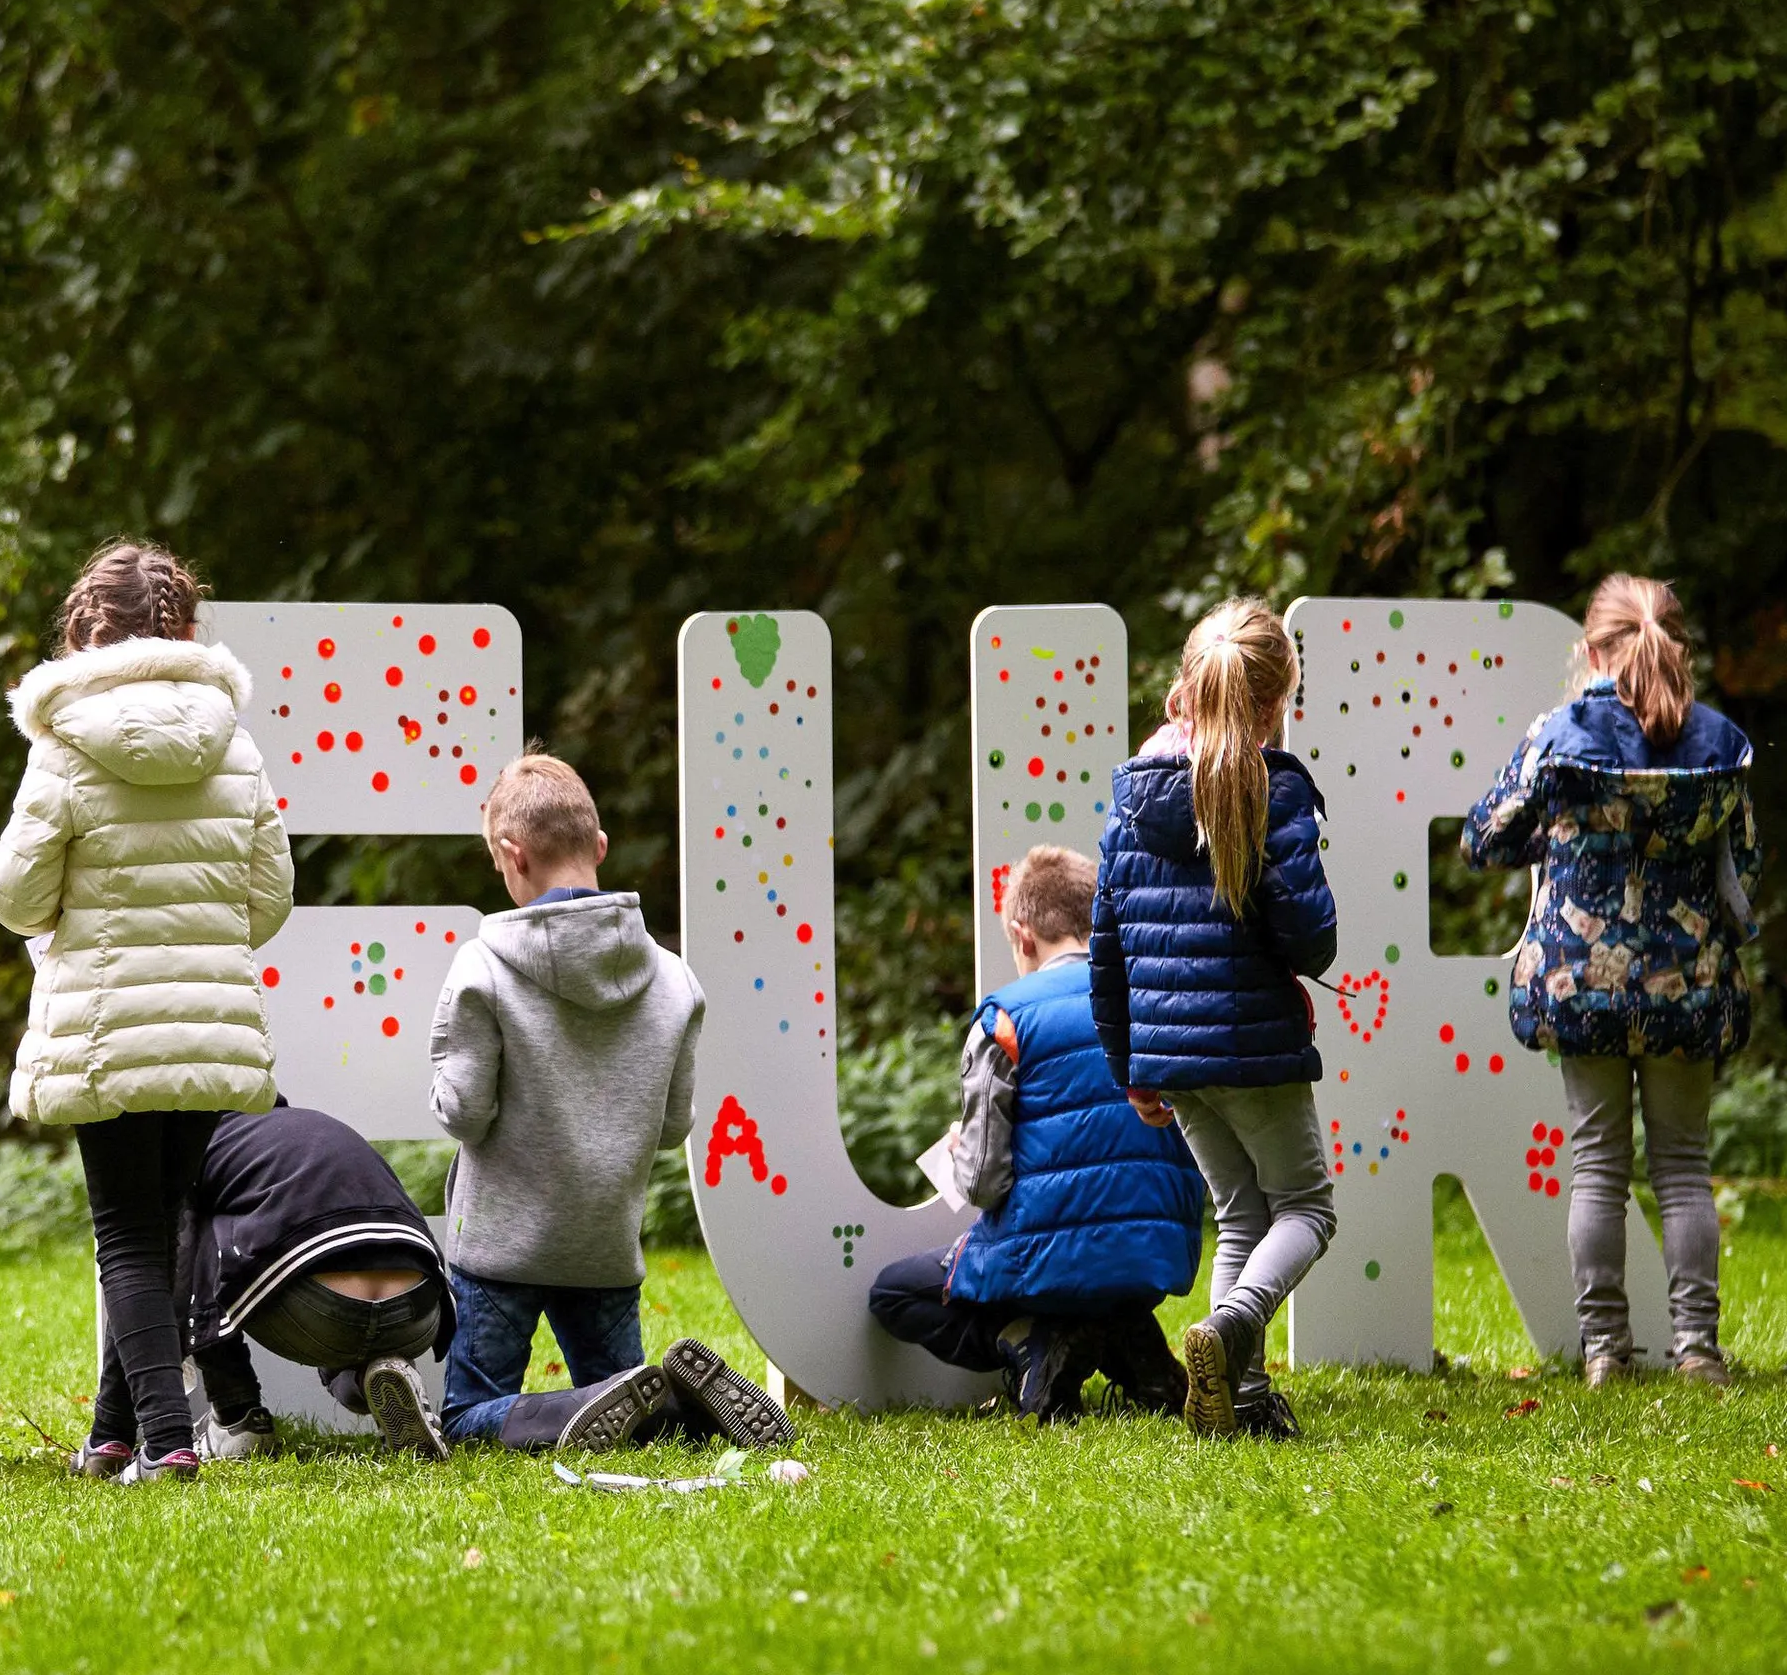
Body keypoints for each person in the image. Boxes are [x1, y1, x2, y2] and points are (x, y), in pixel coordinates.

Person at [0, 540, 293, 1481]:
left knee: (126, 1229)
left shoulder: (65, 743)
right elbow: (271, 897)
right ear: (186, 631)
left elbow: (16, 898)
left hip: (105, 1023)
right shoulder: (232, 744)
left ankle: (163, 1443)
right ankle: (111, 1435)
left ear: (84, 629)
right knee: (161, 1222)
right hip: (206, 1024)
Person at [428, 754, 791, 1453]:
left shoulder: (482, 966)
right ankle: (678, 1405)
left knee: (468, 1418)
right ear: (599, 846)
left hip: (500, 1246)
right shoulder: (674, 978)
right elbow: (673, 1128)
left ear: (512, 855)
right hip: (604, 1245)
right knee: (634, 1415)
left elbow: (464, 1112)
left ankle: (593, 1401)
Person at [1460, 573, 1760, 1386]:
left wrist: (1561, 838)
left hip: (1580, 987)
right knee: (1683, 1167)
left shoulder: (1557, 736)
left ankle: (1605, 1353)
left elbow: (1482, 838)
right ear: (1679, 648)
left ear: (1590, 651)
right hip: (1686, 986)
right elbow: (1748, 867)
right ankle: (1697, 1349)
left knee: (1597, 1163)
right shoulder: (1723, 746)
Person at [1092, 598, 1341, 1441]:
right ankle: (1233, 1328)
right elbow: (1313, 943)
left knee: (1241, 1215)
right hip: (1255, 1049)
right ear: (1276, 704)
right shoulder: (1272, 794)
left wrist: (1132, 1066)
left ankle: (1239, 1400)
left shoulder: (1131, 802)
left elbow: (1107, 953)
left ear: (1180, 696)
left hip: (1169, 1058)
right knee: (1307, 1209)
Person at [867, 845, 1204, 1422]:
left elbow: (982, 1183)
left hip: (1044, 1268)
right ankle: (1126, 1339)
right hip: (1154, 1255)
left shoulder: (1005, 1018)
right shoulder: (1156, 1001)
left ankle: (1029, 1337)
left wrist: (961, 1147)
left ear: (1023, 936)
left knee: (894, 1293)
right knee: (1103, 1282)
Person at [176, 1102, 455, 1460]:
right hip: (418, 1311)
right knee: (314, 1241)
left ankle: (238, 1418)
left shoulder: (198, 1141)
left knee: (192, 1232)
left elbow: (175, 1268)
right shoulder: (310, 1126)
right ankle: (372, 1380)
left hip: (325, 1313)